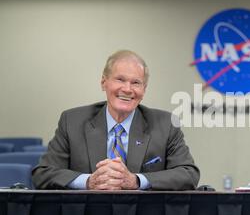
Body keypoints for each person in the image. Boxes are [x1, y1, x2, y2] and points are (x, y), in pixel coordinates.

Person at [32, 50, 200, 190]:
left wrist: (136, 181)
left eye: (136, 82)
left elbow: (189, 174)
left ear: (144, 89)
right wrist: (90, 181)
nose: (127, 89)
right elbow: (43, 174)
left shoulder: (165, 124)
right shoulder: (72, 121)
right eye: (120, 79)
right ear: (104, 82)